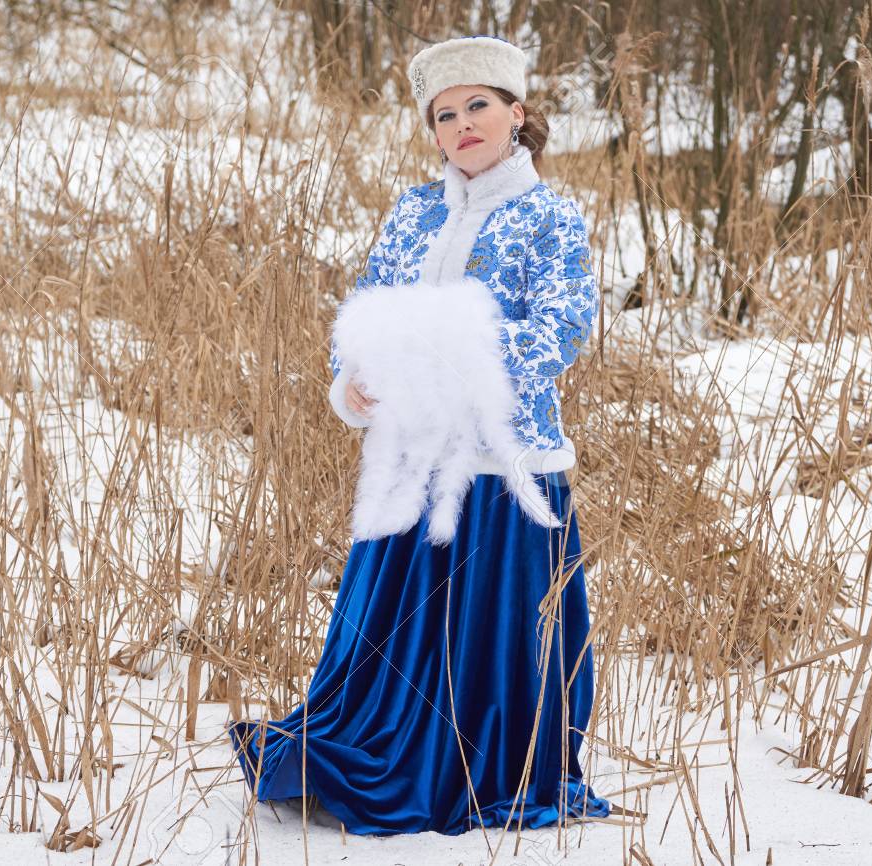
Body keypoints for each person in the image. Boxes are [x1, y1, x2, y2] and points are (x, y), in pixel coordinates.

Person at [225, 34, 610, 837]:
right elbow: (367, 306)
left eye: (479, 106)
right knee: (393, 637)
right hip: (408, 464)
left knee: (486, 638)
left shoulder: (549, 218)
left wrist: (451, 361)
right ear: (432, 130)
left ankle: (484, 763)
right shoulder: (414, 212)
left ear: (517, 115)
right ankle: (385, 745)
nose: (463, 123)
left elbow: (560, 329)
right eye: (446, 113)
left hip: (505, 468)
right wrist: (355, 375)